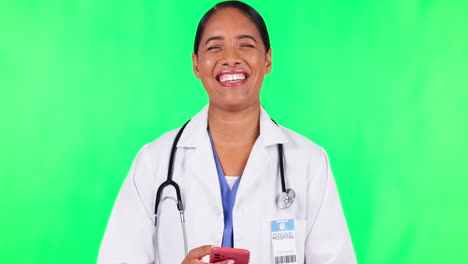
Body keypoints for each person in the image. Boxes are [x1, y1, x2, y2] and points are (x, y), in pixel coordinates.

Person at [98, 1, 356, 263]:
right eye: (214, 47)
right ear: (196, 64)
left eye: (245, 45)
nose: (231, 58)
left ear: (267, 59)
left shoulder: (309, 162)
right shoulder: (155, 161)